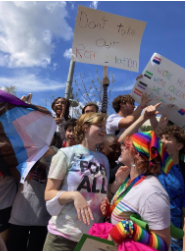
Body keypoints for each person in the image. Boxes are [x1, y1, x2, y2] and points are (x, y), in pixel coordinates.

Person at [118, 105, 185, 251]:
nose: (162, 141)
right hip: (143, 232)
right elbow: (124, 139)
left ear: (179, 145)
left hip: (173, 239)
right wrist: (146, 117)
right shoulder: (150, 163)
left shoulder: (183, 172)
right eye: (160, 138)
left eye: (167, 139)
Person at [6, 145, 58, 251]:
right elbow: (14, 173)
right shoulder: (26, 149)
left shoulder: (57, 153)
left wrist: (49, 158)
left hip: (42, 219)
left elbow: (55, 182)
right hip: (18, 217)